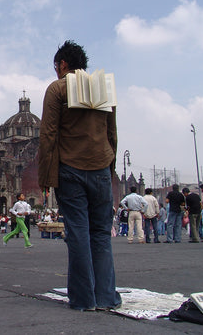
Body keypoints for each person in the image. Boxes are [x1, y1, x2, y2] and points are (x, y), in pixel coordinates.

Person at [38, 40, 121, 311]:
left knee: (79, 235)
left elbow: (48, 135)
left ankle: (84, 299)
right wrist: (110, 168)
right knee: (100, 234)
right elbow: (112, 133)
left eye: (56, 66)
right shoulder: (103, 87)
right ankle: (107, 297)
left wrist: (46, 178)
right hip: (101, 169)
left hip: (71, 171)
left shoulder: (57, 88)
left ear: (62, 65)